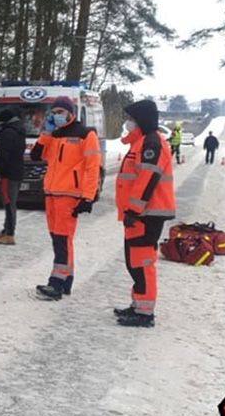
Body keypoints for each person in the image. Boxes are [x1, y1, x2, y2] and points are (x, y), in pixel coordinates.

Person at [114, 100, 177, 327]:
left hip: (146, 214)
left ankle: (144, 313)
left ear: (141, 119)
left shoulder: (152, 143)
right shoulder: (141, 142)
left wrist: (134, 209)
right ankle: (138, 304)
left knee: (142, 262)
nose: (127, 122)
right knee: (134, 262)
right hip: (140, 213)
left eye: (130, 118)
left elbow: (147, 178)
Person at [32, 97, 102, 300]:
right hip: (52, 193)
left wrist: (88, 197)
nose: (57, 115)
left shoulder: (86, 134)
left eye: (61, 111)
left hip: (69, 195)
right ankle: (66, 280)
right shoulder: (54, 134)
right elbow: (37, 155)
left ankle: (56, 283)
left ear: (71, 113)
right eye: (54, 112)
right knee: (58, 238)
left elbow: (92, 167)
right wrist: (46, 133)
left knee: (62, 239)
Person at [0, 109, 26, 245]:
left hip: (8, 173)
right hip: (16, 171)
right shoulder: (19, 130)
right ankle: (6, 230)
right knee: (10, 202)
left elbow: (2, 155)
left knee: (9, 202)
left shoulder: (8, 133)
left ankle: (9, 233)